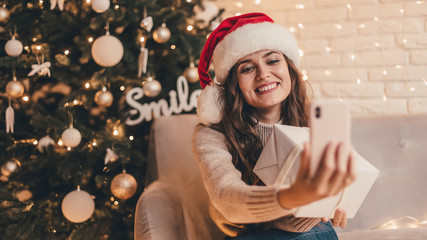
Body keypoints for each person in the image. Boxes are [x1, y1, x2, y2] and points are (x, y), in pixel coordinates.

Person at [192, 13, 356, 239]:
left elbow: (337, 177)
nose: (263, 74)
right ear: (233, 84)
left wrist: (337, 201)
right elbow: (225, 195)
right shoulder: (211, 133)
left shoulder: (312, 117)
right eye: (247, 68)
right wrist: (292, 197)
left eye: (272, 61)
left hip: (310, 230)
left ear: (289, 68)